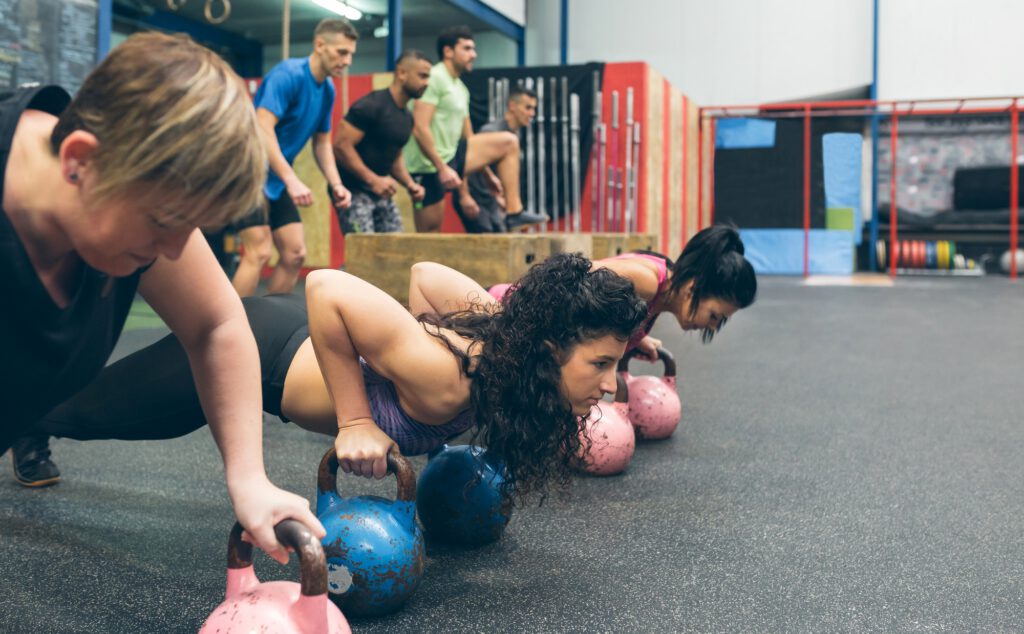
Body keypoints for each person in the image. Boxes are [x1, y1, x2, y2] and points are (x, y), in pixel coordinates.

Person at [1, 32, 322, 562]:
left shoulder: (122, 192)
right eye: (165, 223)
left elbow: (217, 324)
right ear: (79, 160)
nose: (176, 252)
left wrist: (248, 478)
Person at [34, 254, 647, 500]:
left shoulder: (507, 349)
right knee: (93, 413)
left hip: (282, 340)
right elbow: (324, 285)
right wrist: (357, 417)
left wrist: (396, 350)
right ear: (547, 351)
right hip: (262, 349)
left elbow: (426, 273)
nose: (610, 385)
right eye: (599, 364)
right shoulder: (448, 379)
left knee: (110, 411)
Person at [490, 225, 759, 359]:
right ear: (693, 289)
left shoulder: (660, 290)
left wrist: (636, 336)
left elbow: (599, 310)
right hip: (502, 312)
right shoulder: (647, 282)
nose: (708, 325)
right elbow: (563, 276)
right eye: (714, 315)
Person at [230, 18, 358, 297]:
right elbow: (263, 127)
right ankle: (228, 329)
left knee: (294, 254)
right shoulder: (288, 74)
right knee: (259, 251)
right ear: (320, 45)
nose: (347, 61)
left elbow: (322, 142)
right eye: (342, 52)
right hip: (248, 172)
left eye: (351, 54)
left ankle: (267, 325)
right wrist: (292, 180)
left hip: (275, 178)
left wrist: (336, 184)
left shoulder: (327, 90)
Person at [403, 25, 548, 233]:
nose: (474, 55)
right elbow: (419, 127)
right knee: (429, 234)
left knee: (508, 142)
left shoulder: (461, 88)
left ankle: (514, 212)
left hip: (453, 158)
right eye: (467, 49)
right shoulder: (434, 77)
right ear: (448, 51)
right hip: (428, 166)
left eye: (474, 49)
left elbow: (469, 137)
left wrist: (488, 175)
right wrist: (442, 168)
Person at [331, 49, 431, 235]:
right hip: (353, 190)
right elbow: (340, 146)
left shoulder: (407, 118)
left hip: (380, 192)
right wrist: (373, 180)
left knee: (394, 249)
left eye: (428, 77)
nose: (426, 83)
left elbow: (394, 157)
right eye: (422, 76)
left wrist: (410, 184)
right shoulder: (371, 106)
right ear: (401, 73)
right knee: (363, 252)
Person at [453, 86, 538, 233]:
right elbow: (466, 163)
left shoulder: (514, 134)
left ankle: (513, 212)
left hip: (490, 200)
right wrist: (464, 196)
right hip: (475, 198)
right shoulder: (491, 132)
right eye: (528, 108)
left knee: (502, 236)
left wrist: (500, 198)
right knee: (486, 242)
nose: (532, 113)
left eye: (534, 109)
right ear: (512, 106)